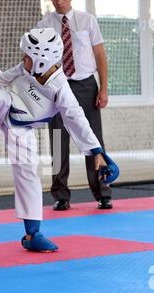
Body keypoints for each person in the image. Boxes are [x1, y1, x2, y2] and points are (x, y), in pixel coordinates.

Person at [0, 28, 119, 253]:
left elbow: (76, 119)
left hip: (22, 128)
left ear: (42, 61)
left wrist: (96, 152)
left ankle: (32, 234)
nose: (23, 60)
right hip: (7, 101)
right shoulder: (26, 68)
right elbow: (3, 78)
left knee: (28, 173)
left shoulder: (60, 88)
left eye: (27, 56)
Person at [37, 0, 113, 211]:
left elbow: (100, 55)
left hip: (86, 86)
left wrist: (103, 88)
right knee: (58, 141)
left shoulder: (88, 20)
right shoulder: (43, 26)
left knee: (94, 138)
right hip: (56, 86)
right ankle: (61, 195)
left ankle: (103, 192)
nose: (58, 1)